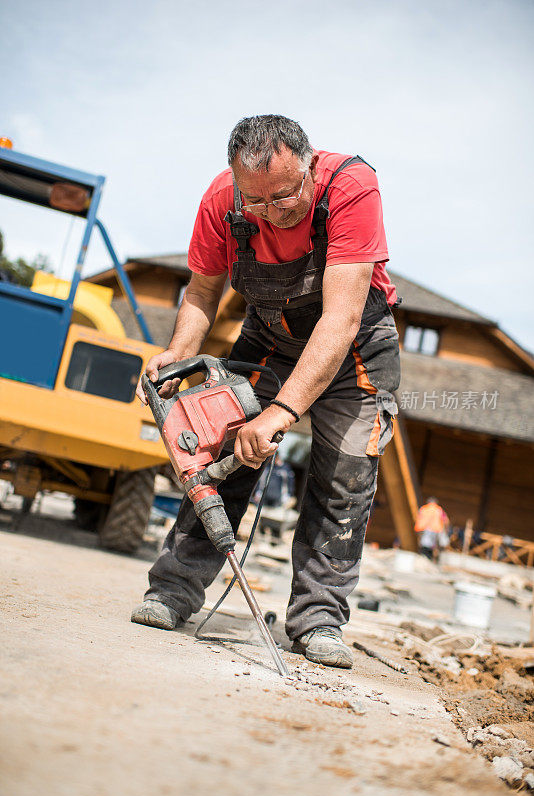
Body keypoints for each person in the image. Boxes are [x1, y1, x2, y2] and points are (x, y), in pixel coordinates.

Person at [131, 115, 400, 669]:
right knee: (224, 451)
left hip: (353, 349)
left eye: (285, 196)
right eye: (255, 202)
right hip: (269, 336)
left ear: (309, 164)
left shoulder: (350, 186)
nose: (272, 212)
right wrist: (178, 354)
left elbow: (341, 317)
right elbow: (203, 290)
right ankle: (173, 592)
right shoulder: (222, 202)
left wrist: (279, 412)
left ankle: (318, 620)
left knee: (344, 476)